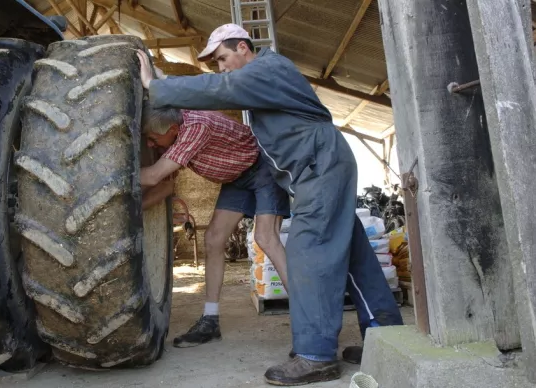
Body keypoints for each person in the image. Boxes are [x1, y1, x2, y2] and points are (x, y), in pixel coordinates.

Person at [135, 24, 403, 386]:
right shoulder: (262, 79)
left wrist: (156, 85)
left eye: (223, 58)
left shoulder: (268, 69)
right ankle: (384, 333)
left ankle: (316, 354)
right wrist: (167, 82)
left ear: (243, 47)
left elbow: (221, 89)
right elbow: (216, 87)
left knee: (309, 250)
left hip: (318, 168)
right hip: (317, 166)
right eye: (216, 63)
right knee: (353, 252)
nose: (221, 68)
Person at [138, 100, 292, 348]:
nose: (149, 144)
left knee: (266, 238)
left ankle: (308, 319)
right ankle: (210, 321)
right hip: (237, 178)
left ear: (172, 131)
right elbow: (165, 186)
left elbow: (154, 175)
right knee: (213, 240)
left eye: (153, 139)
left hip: (262, 167)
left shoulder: (197, 126)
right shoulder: (174, 132)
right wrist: (134, 210)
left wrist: (112, 178)